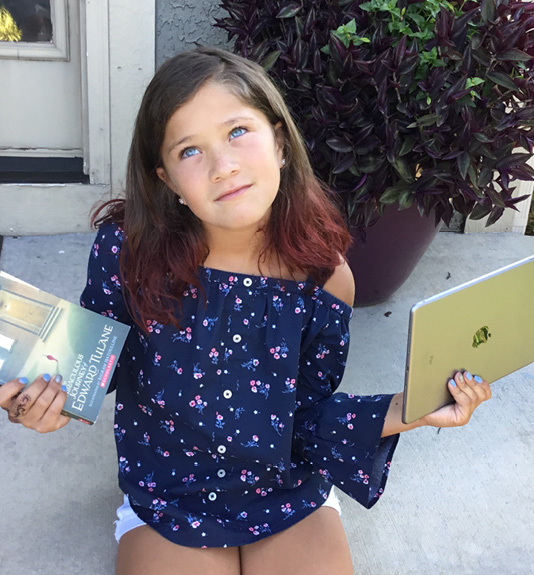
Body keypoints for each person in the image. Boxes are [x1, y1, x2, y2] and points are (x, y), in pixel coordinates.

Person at [0, 47, 491, 575]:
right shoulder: (127, 255)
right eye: (190, 150)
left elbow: (303, 413)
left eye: (237, 132)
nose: (223, 165)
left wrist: (407, 410)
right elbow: (97, 364)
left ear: (279, 143)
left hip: (284, 484)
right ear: (165, 179)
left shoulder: (325, 279)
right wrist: (46, 399)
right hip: (170, 492)